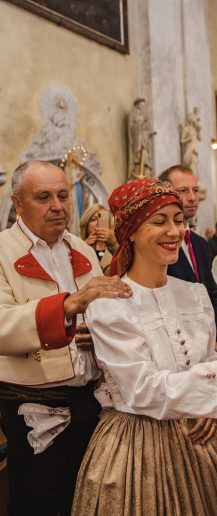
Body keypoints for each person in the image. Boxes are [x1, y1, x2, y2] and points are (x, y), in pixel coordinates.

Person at [71, 178, 217, 515]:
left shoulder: (193, 293)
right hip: (138, 445)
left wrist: (207, 403)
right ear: (131, 232)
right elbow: (141, 390)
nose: (174, 231)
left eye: (178, 220)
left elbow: (204, 357)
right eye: (159, 221)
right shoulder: (109, 303)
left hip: (206, 435)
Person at [0, 160, 132, 516]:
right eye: (43, 197)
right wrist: (70, 307)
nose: (58, 205)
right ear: (17, 203)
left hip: (89, 401)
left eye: (62, 195)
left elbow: (105, 312)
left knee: (87, 502)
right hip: (33, 405)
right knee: (41, 502)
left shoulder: (83, 249)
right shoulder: (1, 251)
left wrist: (98, 332)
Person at [159, 165, 217, 357]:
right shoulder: (159, 244)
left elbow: (211, 292)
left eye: (196, 190)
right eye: (183, 191)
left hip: (208, 340)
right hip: (177, 343)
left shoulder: (199, 243)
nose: (192, 197)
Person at [79, 203, 117, 274]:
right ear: (86, 225)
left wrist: (114, 244)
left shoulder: (117, 246)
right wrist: (84, 248)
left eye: (103, 218)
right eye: (93, 219)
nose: (98, 222)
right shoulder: (78, 246)